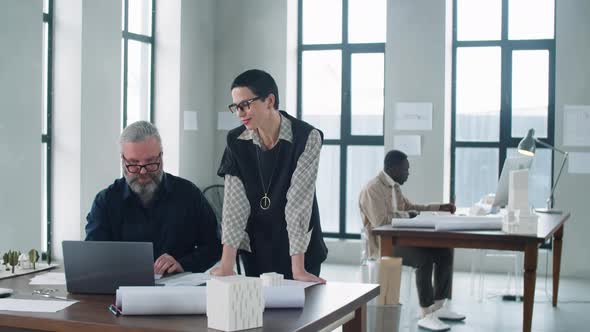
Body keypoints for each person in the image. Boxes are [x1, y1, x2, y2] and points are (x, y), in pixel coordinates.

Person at [211, 69, 327, 282]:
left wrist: (298, 270)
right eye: (236, 107)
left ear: (270, 101)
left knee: (301, 314)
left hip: (300, 251)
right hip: (257, 246)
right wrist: (226, 265)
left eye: (246, 105)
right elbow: (234, 206)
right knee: (258, 312)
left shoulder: (306, 137)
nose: (240, 113)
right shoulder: (235, 141)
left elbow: (298, 205)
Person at [85, 121, 222, 275]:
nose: (143, 172)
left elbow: (215, 246)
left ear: (161, 157)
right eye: (134, 164)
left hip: (179, 288)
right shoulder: (105, 201)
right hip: (121, 289)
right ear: (123, 160)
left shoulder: (188, 194)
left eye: (150, 163)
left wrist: (183, 264)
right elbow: (93, 256)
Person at [359, 150, 465, 331]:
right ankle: (426, 314)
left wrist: (440, 207)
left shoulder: (394, 187)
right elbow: (380, 222)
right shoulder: (372, 189)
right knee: (423, 259)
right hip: (384, 245)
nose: (408, 173)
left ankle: (438, 308)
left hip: (401, 239)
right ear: (393, 168)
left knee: (444, 252)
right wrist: (408, 215)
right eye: (405, 169)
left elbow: (411, 207)